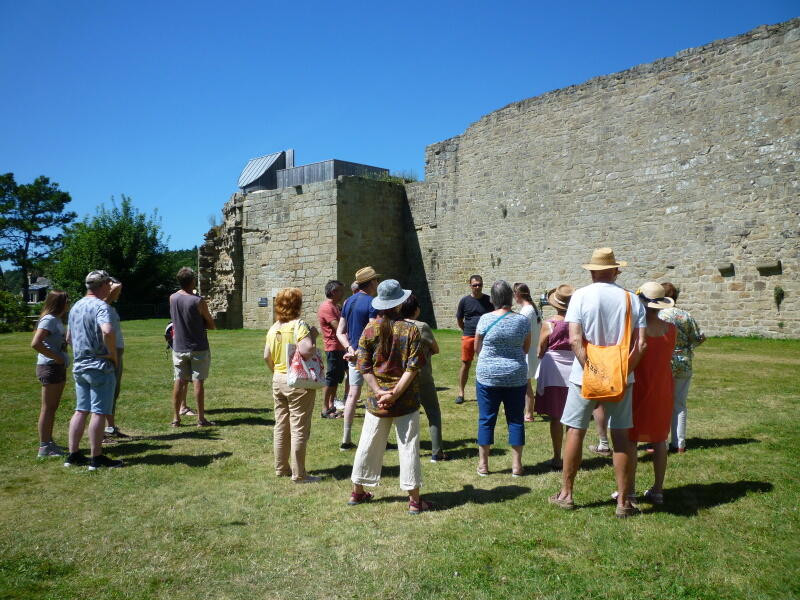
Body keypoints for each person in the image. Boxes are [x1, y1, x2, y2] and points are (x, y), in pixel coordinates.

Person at [549, 248, 646, 518]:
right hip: (621, 377)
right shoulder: (631, 298)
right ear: (615, 271)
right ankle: (623, 501)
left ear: (592, 271)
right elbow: (641, 345)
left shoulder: (580, 296)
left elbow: (575, 340)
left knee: (575, 431)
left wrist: (593, 370)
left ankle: (567, 494)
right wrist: (621, 372)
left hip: (584, 376)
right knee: (621, 437)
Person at [348, 280, 430, 513]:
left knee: (368, 443)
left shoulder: (369, 329)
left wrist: (379, 392)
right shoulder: (410, 330)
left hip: (377, 401)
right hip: (405, 399)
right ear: (399, 303)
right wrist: (394, 394)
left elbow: (363, 366)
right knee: (408, 447)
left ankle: (357, 492)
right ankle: (414, 501)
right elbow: (413, 368)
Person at [64, 270, 123, 470]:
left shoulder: (75, 306)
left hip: (80, 365)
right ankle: (96, 458)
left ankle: (73, 455)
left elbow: (69, 338)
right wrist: (112, 354)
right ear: (103, 285)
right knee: (99, 411)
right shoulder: (101, 306)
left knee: (81, 410)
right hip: (99, 366)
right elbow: (107, 330)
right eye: (108, 284)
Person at [474, 280, 531, 476]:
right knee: (516, 419)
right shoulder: (522, 321)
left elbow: (477, 348)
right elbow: (526, 348)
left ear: (493, 299)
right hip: (515, 375)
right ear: (511, 297)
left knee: (486, 418)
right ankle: (517, 466)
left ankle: (483, 465)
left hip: (488, 376)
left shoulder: (485, 319)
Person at [264, 287, 321, 483]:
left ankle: (281, 468)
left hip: (278, 379)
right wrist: (313, 336)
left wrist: (276, 372)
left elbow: (266, 355)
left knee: (281, 425)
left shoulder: (274, 327)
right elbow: (307, 350)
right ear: (298, 305)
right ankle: (299, 475)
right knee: (299, 428)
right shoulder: (300, 325)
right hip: (297, 381)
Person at [627, 282, 677, 505]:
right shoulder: (671, 329)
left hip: (638, 386)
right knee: (659, 439)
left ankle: (629, 490)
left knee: (630, 439)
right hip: (662, 387)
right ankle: (658, 490)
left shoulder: (635, 330)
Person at [336, 266, 379, 450]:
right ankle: (377, 440)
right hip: (370, 357)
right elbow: (372, 332)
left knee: (353, 395)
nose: (377, 283)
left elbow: (340, 331)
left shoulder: (348, 302)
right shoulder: (373, 302)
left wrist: (350, 348)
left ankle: (346, 440)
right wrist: (360, 350)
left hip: (353, 356)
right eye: (376, 280)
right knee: (375, 394)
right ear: (371, 282)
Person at [658, 282, 705, 453]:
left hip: (664, 363)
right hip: (684, 362)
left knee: (662, 403)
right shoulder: (685, 315)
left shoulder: (659, 315)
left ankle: (660, 443)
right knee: (679, 404)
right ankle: (679, 444)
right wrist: (687, 348)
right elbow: (700, 337)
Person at [401, 293, 448, 462]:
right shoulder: (422, 326)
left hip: (402, 377)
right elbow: (436, 348)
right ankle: (437, 452)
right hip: (422, 375)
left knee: (406, 415)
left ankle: (408, 451)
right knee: (433, 412)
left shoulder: (396, 326)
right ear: (416, 310)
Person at [533, 284, 574, 469]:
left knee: (556, 416)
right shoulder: (577, 323)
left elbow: (540, 349)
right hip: (574, 369)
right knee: (572, 417)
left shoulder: (549, 324)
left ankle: (557, 457)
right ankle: (571, 457)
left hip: (553, 371)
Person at [169, 267, 216, 427]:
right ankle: (201, 419)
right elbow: (211, 324)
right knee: (198, 381)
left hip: (179, 346)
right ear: (193, 281)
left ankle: (176, 418)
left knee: (179, 380)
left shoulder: (172, 298)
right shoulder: (198, 301)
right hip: (198, 346)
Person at [30, 290, 70, 458]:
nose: (69, 303)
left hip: (57, 367)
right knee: (48, 408)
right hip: (50, 367)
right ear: (58, 303)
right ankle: (44, 447)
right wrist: (56, 357)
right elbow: (36, 343)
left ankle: (49, 442)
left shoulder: (57, 320)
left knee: (52, 408)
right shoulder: (49, 319)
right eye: (67, 301)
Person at [455, 275, 494, 404]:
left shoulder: (489, 300)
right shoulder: (464, 301)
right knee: (466, 364)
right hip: (469, 336)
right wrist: (466, 330)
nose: (477, 287)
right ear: (470, 285)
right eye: (474, 285)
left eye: (479, 284)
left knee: (487, 363)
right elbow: (459, 319)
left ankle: (490, 391)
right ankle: (461, 393)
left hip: (485, 337)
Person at [103, 278, 129, 440]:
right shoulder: (102, 306)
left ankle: (110, 427)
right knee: (106, 393)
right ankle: (102, 432)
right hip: (110, 353)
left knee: (113, 392)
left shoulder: (109, 307)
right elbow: (118, 284)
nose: (118, 293)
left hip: (116, 352)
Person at [513, 282, 541, 421]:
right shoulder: (532, 309)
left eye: (514, 294)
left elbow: (521, 332)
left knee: (526, 384)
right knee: (526, 382)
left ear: (518, 294)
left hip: (527, 350)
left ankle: (529, 413)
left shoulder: (527, 311)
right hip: (532, 349)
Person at [318, 280, 346, 419]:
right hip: (333, 347)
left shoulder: (335, 306)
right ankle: (325, 409)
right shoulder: (327, 307)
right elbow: (338, 327)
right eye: (340, 291)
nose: (342, 293)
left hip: (340, 347)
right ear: (333, 292)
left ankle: (331, 406)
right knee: (331, 378)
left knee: (336, 378)